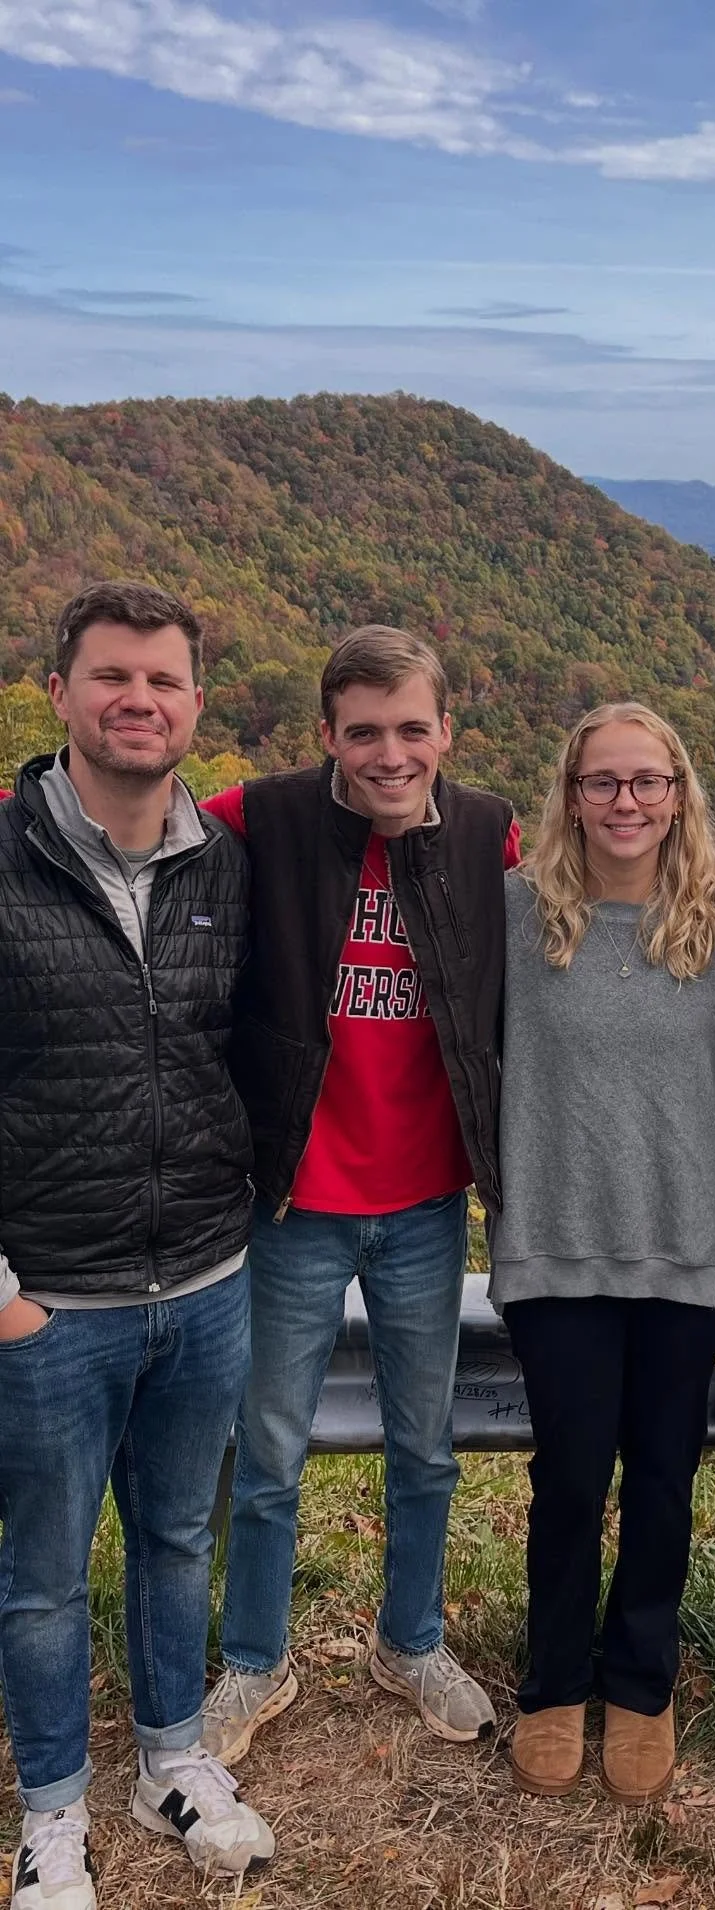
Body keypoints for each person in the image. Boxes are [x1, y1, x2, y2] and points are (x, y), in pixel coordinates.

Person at [0, 581, 274, 1910]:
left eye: (163, 682)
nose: (138, 701)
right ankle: (50, 1817)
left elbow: (251, 1050)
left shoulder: (224, 864)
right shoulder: (5, 859)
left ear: (194, 707)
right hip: (50, 1296)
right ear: (59, 691)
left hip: (207, 1279)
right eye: (113, 677)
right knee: (44, 1578)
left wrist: (245, 1215)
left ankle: (172, 1759)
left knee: (176, 1538)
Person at [198, 625, 517, 1765]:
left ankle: (411, 1638)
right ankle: (252, 1659)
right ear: (327, 733)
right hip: (294, 1201)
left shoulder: (488, 833)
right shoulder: (266, 817)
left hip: (428, 1199)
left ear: (446, 731)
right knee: (271, 1442)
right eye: (365, 730)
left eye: (413, 728)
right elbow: (125, 820)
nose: (391, 752)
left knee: (425, 1443)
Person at [492, 702, 715, 1805]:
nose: (625, 803)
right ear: (568, 793)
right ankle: (555, 1680)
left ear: (680, 791)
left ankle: (641, 1680)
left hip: (685, 1241)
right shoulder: (516, 916)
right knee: (567, 1476)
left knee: (662, 1476)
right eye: (603, 782)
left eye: (647, 781)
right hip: (555, 1241)